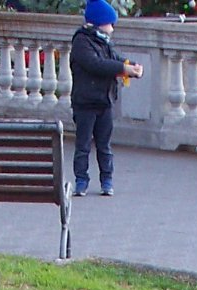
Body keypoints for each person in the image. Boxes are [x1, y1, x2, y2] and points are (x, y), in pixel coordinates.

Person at [68, 0, 141, 197]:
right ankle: (81, 180)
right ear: (98, 23)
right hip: (85, 102)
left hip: (104, 101)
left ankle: (106, 180)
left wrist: (130, 66)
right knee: (83, 145)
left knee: (104, 145)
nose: (112, 28)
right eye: (110, 23)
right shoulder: (81, 42)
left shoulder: (103, 41)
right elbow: (96, 64)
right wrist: (122, 69)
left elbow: (113, 58)